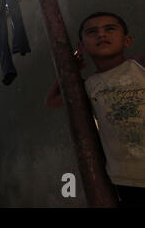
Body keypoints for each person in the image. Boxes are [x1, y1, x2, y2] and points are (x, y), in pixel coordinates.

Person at [45, 12, 145, 207]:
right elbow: (52, 100)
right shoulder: (89, 86)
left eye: (110, 29)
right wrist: (69, 69)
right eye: (92, 32)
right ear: (82, 46)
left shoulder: (139, 65)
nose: (101, 35)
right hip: (126, 180)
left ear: (127, 40)